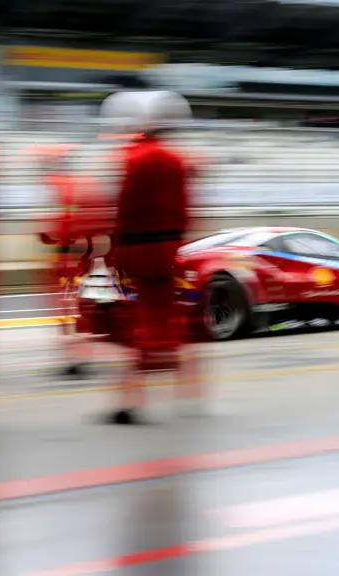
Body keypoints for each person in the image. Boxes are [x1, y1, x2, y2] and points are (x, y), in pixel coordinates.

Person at [107, 91, 193, 425]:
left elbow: (125, 209)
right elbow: (186, 210)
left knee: (135, 321)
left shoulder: (133, 158)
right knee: (168, 315)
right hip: (168, 248)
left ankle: (131, 401)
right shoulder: (177, 160)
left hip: (139, 249)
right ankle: (183, 391)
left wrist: (116, 251)